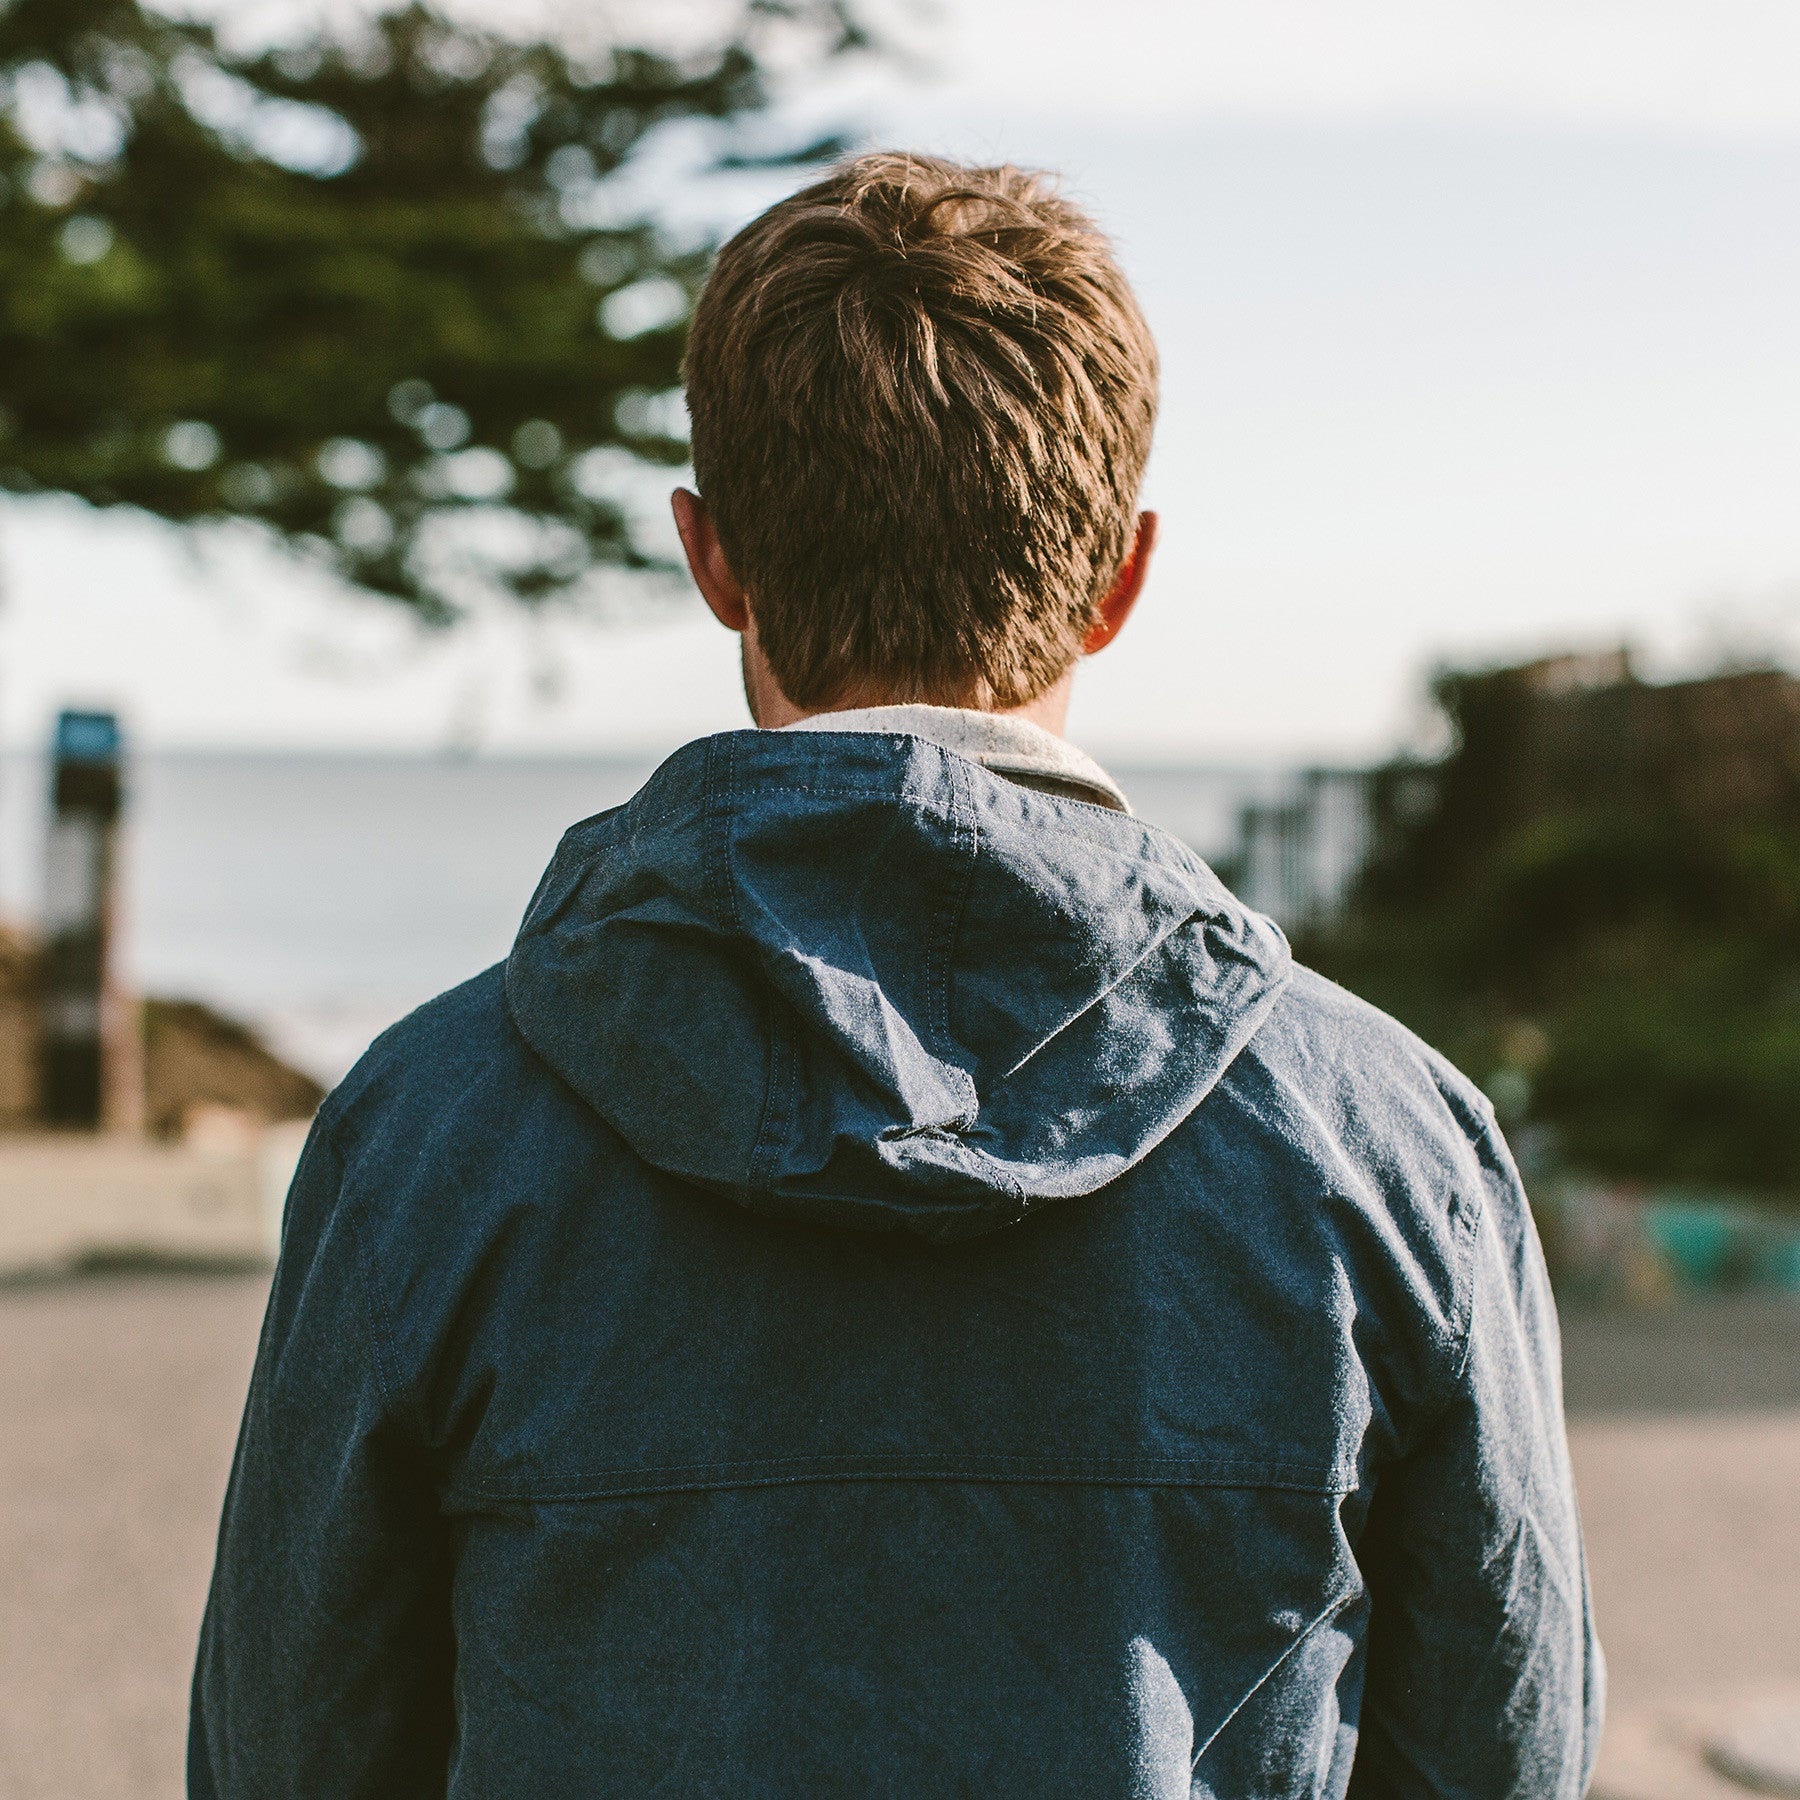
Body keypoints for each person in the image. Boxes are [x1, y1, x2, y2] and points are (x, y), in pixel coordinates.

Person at [190, 152, 1603, 1797]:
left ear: (712, 558)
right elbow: (1503, 1756)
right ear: (1120, 580)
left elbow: (290, 1753)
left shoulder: (426, 1136)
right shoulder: (1393, 1151)